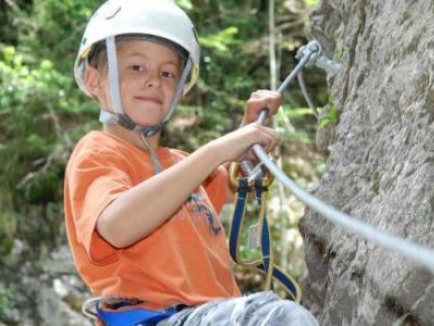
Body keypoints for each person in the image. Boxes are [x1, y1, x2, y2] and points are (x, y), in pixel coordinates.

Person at [64, 0, 319, 325]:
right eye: (136, 67)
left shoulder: (179, 164)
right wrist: (217, 149)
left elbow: (233, 183)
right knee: (280, 319)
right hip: (155, 319)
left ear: (180, 88)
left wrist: (246, 140)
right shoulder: (98, 151)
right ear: (94, 80)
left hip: (210, 314)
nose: (154, 80)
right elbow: (115, 227)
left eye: (168, 72)